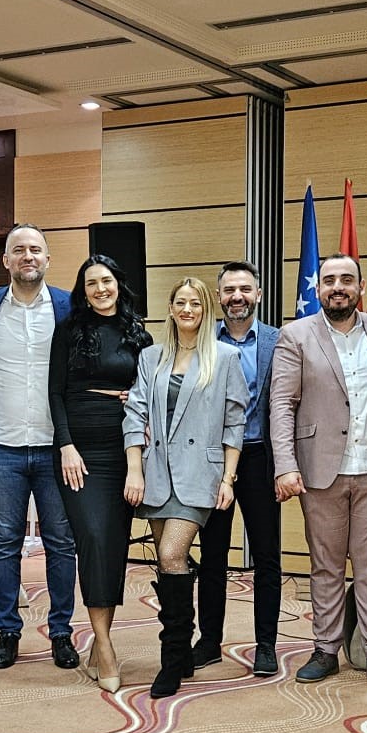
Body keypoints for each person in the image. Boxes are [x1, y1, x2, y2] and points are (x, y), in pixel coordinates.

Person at [270, 254, 367, 691]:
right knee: (325, 566)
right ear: (318, 288)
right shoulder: (295, 335)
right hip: (320, 469)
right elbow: (282, 403)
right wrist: (285, 465)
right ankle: (325, 649)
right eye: (329, 280)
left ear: (361, 287)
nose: (338, 287)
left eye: (347, 279)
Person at [124, 277, 247, 697]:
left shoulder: (225, 357)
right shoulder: (150, 357)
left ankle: (172, 658)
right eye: (181, 302)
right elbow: (135, 414)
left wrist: (228, 478)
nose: (188, 309)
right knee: (168, 565)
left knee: (171, 554)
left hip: (200, 475)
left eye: (196, 303)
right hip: (157, 474)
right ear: (171, 308)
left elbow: (234, 422)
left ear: (205, 309)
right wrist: (134, 470)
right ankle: (183, 649)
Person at [0, 225, 78, 670]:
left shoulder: (70, 305)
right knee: (4, 542)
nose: (27, 256)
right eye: (19, 250)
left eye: (35, 250)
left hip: (56, 446)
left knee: (61, 542)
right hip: (2, 445)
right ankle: (8, 631)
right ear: (6, 260)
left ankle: (61, 632)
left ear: (48, 259)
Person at [51, 255, 152, 688]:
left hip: (124, 449)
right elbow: (54, 393)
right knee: (91, 536)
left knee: (113, 543)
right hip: (79, 451)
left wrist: (137, 398)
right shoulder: (69, 330)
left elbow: (150, 390)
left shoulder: (138, 333)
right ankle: (106, 645)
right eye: (91, 283)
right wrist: (65, 446)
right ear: (83, 290)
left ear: (118, 284)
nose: (100, 289)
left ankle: (100, 636)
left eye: (106, 280)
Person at [197, 262, 282, 676]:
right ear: (219, 296)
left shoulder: (278, 341)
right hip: (213, 459)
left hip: (260, 457)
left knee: (267, 555)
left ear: (258, 295)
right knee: (212, 554)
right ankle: (209, 641)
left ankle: (266, 645)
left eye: (245, 289)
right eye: (229, 289)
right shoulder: (201, 340)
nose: (237, 296)